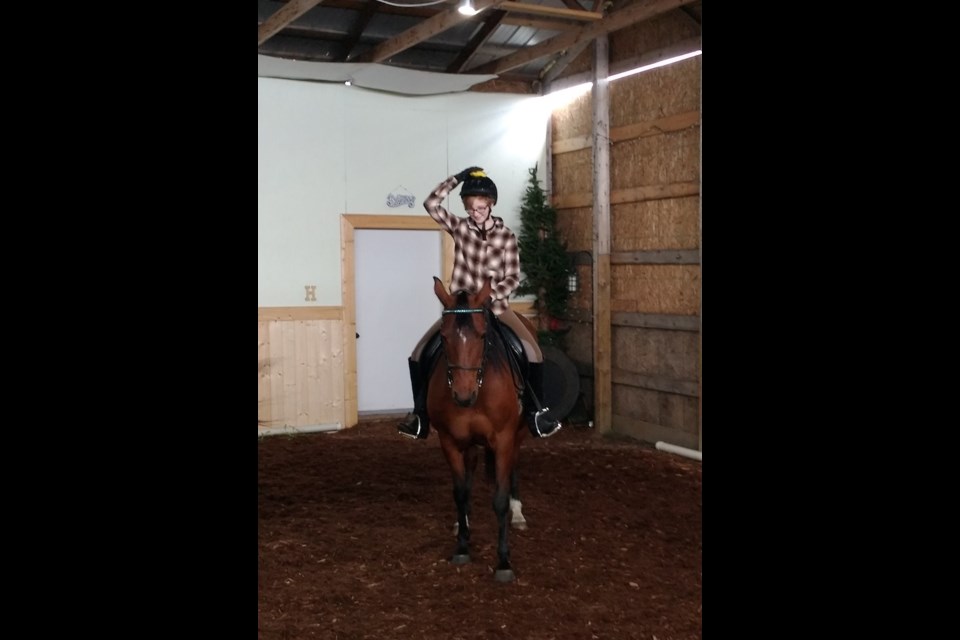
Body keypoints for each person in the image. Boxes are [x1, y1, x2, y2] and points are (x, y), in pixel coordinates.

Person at [397, 167, 562, 440]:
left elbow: (512, 277)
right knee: (418, 353)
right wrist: (457, 179)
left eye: (481, 207)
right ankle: (420, 416)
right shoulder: (460, 227)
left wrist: (490, 296)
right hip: (461, 311)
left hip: (496, 308)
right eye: (472, 207)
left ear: (491, 205)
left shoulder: (507, 237)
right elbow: (431, 204)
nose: (476, 212)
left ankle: (536, 413)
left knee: (533, 353)